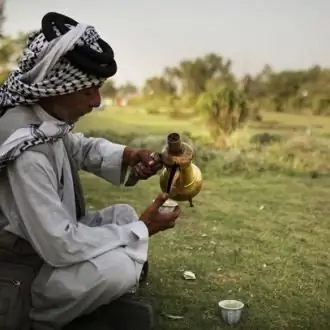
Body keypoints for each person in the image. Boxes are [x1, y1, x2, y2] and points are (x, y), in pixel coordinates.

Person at [0, 11, 181, 330]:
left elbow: (76, 146)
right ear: (57, 88)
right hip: (25, 266)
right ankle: (37, 317)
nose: (96, 101)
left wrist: (128, 155)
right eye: (89, 91)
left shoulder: (43, 119)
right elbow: (60, 245)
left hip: (47, 247)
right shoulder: (25, 151)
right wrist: (142, 229)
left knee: (123, 216)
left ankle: (82, 300)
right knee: (121, 267)